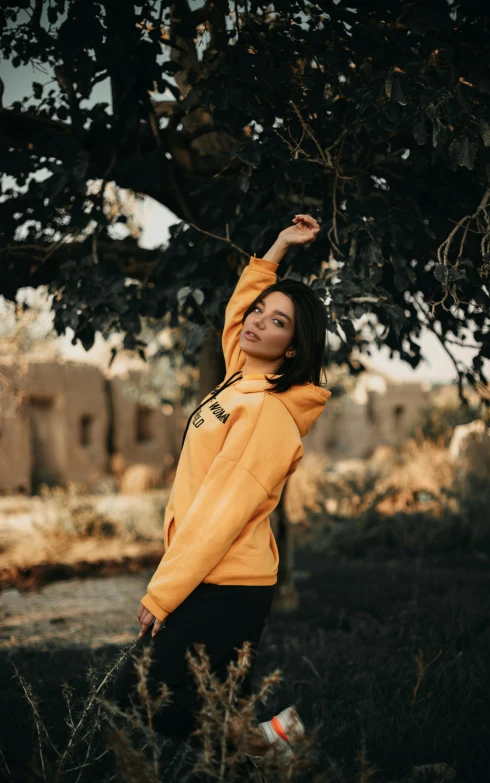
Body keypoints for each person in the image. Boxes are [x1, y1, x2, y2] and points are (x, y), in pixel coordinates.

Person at [110, 213, 331, 771]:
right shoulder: (241, 379)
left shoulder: (265, 412)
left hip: (227, 580)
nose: (256, 322)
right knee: (200, 700)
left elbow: (220, 513)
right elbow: (238, 313)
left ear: (292, 346)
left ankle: (285, 753)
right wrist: (277, 247)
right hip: (218, 573)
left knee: (142, 695)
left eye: (276, 322)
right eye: (261, 311)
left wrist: (162, 592)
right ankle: (288, 754)